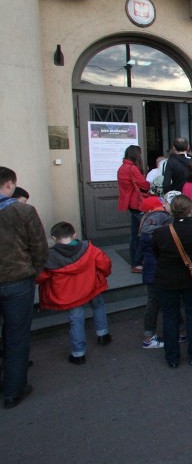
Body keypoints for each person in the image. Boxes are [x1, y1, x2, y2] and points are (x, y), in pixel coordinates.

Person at [0, 167, 47, 408]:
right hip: (17, 280)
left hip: (16, 278)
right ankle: (13, 390)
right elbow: (39, 246)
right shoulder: (23, 211)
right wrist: (35, 271)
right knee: (17, 335)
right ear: (9, 185)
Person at [152, 194, 192, 369]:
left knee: (170, 316)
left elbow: (156, 254)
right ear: (189, 210)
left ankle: (172, 357)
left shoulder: (160, 232)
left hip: (166, 279)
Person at [37, 222, 112, 365]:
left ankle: (79, 353)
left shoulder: (50, 257)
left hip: (70, 294)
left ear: (53, 238)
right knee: (98, 305)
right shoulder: (89, 248)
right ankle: (103, 334)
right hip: (91, 286)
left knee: (76, 319)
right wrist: (103, 275)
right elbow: (104, 263)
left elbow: (41, 277)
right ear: (75, 234)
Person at [138, 195, 172, 348]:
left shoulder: (145, 223)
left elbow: (140, 252)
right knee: (166, 301)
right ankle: (153, 335)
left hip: (150, 269)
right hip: (163, 268)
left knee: (153, 301)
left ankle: (149, 334)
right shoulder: (164, 218)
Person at [117, 145, 150, 273]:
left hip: (130, 203)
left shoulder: (122, 167)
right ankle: (137, 262)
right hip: (137, 203)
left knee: (134, 234)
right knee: (145, 232)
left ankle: (135, 261)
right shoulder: (132, 168)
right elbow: (144, 184)